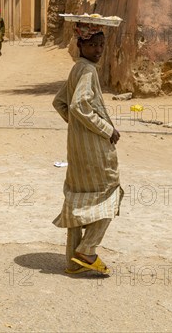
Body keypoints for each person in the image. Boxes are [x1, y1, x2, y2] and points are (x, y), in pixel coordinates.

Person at [52, 22, 123, 275]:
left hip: (77, 150)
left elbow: (60, 102)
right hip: (93, 151)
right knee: (109, 193)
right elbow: (78, 106)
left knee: (78, 198)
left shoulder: (78, 68)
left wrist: (78, 130)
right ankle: (88, 249)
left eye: (101, 44)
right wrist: (106, 130)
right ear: (80, 45)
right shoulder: (87, 71)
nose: (98, 49)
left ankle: (73, 263)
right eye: (92, 44)